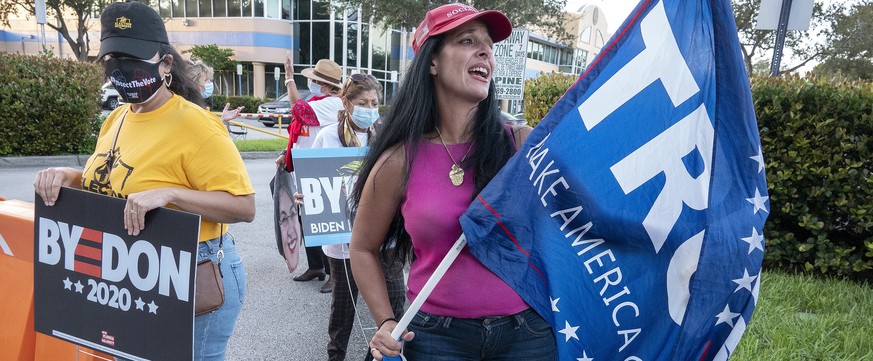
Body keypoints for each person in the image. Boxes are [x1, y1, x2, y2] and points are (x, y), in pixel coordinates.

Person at [33, 2, 255, 360]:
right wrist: (66, 176)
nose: (122, 68)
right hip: (129, 273)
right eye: (113, 58)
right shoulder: (117, 118)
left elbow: (244, 207)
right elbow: (108, 181)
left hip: (191, 272)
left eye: (134, 57)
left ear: (166, 64)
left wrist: (170, 194)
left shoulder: (197, 125)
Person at [348, 4, 557, 361]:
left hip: (529, 334)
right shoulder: (398, 161)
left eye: (489, 46)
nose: (485, 52)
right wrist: (385, 321)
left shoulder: (522, 145)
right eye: (467, 40)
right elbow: (363, 248)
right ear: (432, 62)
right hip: (434, 337)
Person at [309, 74, 406, 361]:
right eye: (362, 102)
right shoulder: (327, 136)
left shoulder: (386, 137)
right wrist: (307, 195)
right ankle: (335, 355)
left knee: (395, 303)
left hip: (384, 238)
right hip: (341, 239)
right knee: (343, 307)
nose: (369, 108)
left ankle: (374, 356)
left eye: (374, 103)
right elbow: (312, 180)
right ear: (346, 103)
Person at [275, 52, 345, 292]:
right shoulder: (320, 100)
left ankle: (334, 273)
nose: (313, 82)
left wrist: (289, 78)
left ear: (325, 83)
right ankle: (316, 266)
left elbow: (298, 109)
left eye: (316, 79)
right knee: (307, 220)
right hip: (305, 165)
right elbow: (304, 131)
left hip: (319, 168)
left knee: (323, 223)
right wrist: (288, 154)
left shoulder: (334, 103)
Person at [187, 59, 245, 125]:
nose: (209, 83)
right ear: (193, 84)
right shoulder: (191, 110)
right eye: (206, 80)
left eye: (209, 79)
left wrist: (223, 120)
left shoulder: (195, 106)